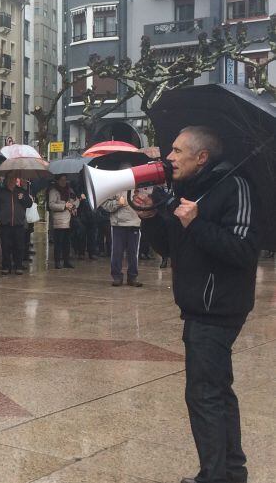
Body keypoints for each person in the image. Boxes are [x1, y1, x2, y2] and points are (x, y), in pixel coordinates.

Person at [136, 126, 258, 483]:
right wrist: (149, 217)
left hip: (218, 307)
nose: (169, 157)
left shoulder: (235, 186)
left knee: (204, 395)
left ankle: (215, 477)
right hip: (198, 306)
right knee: (217, 391)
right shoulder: (189, 190)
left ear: (201, 157)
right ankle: (231, 472)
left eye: (177, 150)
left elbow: (244, 251)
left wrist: (195, 221)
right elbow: (170, 248)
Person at [0, 170, 32, 275]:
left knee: (19, 246)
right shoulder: (0, 192)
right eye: (9, 178)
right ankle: (6, 266)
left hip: (18, 225)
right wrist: (0, 218)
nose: (12, 180)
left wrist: (23, 198)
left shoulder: (21, 191)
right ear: (6, 179)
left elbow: (29, 204)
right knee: (5, 246)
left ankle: (18, 266)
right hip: (5, 224)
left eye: (14, 178)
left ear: (16, 179)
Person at [102, 184, 143, 287]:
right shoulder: (114, 189)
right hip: (118, 225)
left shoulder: (139, 188)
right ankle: (117, 277)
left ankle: (132, 277)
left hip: (134, 225)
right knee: (117, 253)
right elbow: (105, 205)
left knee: (133, 253)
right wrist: (118, 203)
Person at [48, 174, 79, 269]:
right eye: (61, 180)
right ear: (57, 180)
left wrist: (73, 205)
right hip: (59, 221)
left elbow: (76, 200)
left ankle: (66, 261)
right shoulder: (53, 191)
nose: (63, 182)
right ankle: (57, 261)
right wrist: (64, 206)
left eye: (65, 180)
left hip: (69, 220)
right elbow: (51, 205)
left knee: (67, 242)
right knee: (58, 242)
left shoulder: (70, 190)